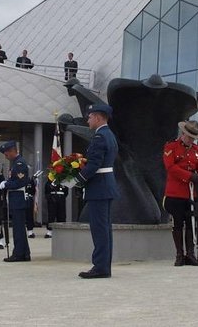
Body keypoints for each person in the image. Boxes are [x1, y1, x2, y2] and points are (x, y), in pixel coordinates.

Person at [75, 104, 119, 278]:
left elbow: (94, 164)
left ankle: (100, 267)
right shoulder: (109, 135)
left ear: (99, 118)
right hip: (105, 186)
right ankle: (103, 266)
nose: (88, 120)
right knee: (104, 229)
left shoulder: (100, 136)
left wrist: (77, 179)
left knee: (99, 229)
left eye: (90, 116)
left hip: (99, 187)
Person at [163, 120, 198, 266]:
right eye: (189, 137)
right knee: (177, 224)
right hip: (176, 193)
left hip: (191, 193)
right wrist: (189, 176)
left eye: (193, 138)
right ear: (183, 134)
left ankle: (190, 254)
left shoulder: (196, 149)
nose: (190, 140)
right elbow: (170, 167)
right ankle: (179, 255)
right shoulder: (171, 147)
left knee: (190, 223)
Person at [0, 140, 32, 262]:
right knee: (19, 228)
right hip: (16, 199)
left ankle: (18, 254)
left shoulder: (19, 164)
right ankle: (24, 253)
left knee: (18, 228)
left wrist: (6, 184)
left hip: (18, 199)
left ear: (13, 151)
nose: (6, 157)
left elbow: (20, 182)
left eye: (7, 154)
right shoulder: (15, 163)